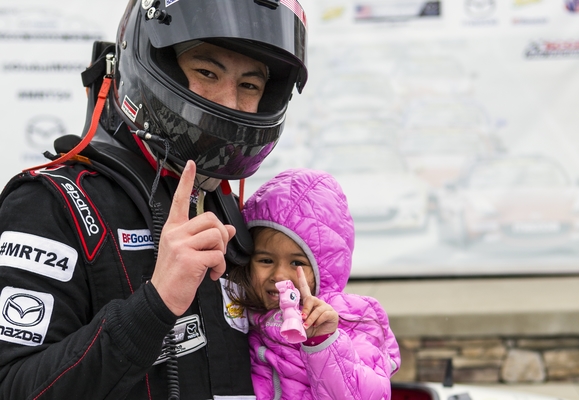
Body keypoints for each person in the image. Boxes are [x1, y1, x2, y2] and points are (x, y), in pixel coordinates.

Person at [0, 0, 307, 398]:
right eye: (207, 72)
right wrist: (154, 304)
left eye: (249, 85)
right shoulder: (52, 204)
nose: (229, 102)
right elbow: (13, 387)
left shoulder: (226, 212)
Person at [226, 168, 401, 399]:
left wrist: (323, 342)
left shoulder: (353, 318)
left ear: (325, 269)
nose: (279, 275)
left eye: (297, 262)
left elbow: (368, 394)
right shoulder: (239, 314)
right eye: (266, 260)